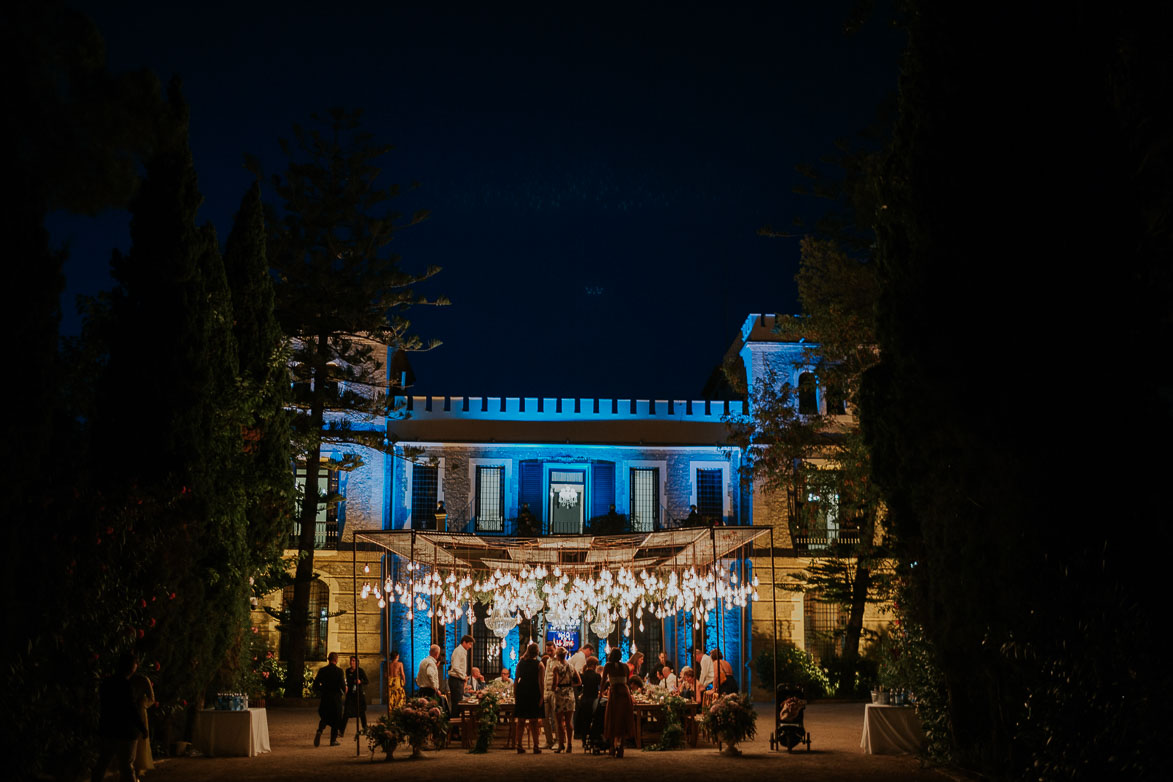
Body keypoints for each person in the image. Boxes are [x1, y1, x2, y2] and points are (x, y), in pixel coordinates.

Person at [91, 652, 147, 782]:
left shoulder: (107, 683)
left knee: (103, 762)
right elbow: (131, 709)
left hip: (108, 728)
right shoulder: (125, 685)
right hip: (125, 731)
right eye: (135, 664)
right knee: (126, 765)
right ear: (132, 667)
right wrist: (142, 728)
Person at [602, 648, 635, 757]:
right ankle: (621, 748)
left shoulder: (608, 666)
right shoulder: (625, 666)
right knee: (623, 719)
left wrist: (601, 692)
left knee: (612, 718)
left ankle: (612, 747)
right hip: (625, 693)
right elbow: (627, 681)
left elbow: (603, 681)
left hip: (615, 693)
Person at [513, 642, 545, 754]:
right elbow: (541, 682)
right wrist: (542, 696)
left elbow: (516, 679)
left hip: (522, 691)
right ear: (537, 652)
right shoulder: (539, 664)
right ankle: (536, 746)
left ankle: (519, 745)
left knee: (520, 720)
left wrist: (515, 693)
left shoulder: (520, 663)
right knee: (534, 721)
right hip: (534, 691)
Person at [313, 652, 346, 747]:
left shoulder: (322, 670)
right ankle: (333, 740)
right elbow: (342, 686)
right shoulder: (339, 671)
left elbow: (315, 685)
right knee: (336, 719)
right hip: (336, 699)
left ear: (328, 659)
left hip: (325, 698)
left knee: (325, 717)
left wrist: (322, 690)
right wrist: (344, 690)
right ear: (336, 660)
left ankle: (320, 730)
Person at [551, 647, 578, 752]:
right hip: (570, 694)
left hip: (560, 694)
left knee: (559, 722)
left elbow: (555, 682)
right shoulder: (571, 667)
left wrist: (554, 688)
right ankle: (570, 744)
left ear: (557, 656)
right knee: (568, 722)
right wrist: (571, 685)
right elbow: (579, 681)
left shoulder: (556, 667)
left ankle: (561, 744)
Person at [130, 668, 155, 777]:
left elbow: (152, 699)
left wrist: (143, 705)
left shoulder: (144, 679)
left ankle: (138, 767)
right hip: (129, 711)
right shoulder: (127, 679)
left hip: (140, 711)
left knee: (140, 739)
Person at [574, 655, 601, 750]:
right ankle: (594, 738)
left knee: (585, 720)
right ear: (594, 665)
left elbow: (579, 687)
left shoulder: (583, 675)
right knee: (594, 720)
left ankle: (584, 740)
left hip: (584, 700)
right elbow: (600, 688)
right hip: (593, 700)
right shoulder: (597, 676)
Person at [342, 655, 369, 737]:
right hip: (350, 694)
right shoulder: (347, 671)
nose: (352, 662)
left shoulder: (360, 671)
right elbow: (348, 681)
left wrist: (360, 681)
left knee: (361, 712)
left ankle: (365, 729)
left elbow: (366, 681)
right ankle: (341, 730)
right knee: (346, 713)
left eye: (353, 661)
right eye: (351, 661)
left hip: (358, 694)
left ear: (357, 662)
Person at [448, 634, 474, 714]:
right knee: (457, 703)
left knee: (459, 702)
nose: (470, 647)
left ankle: (458, 722)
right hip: (456, 680)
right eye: (469, 644)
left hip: (458, 680)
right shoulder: (459, 651)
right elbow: (455, 666)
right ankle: (456, 724)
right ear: (464, 642)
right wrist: (463, 676)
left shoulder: (462, 651)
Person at [541, 645, 558, 749]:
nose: (550, 652)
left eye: (551, 650)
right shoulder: (547, 661)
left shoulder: (558, 660)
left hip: (555, 692)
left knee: (556, 718)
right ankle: (549, 740)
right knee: (545, 717)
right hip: (546, 692)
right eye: (548, 650)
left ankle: (558, 740)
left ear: (555, 649)